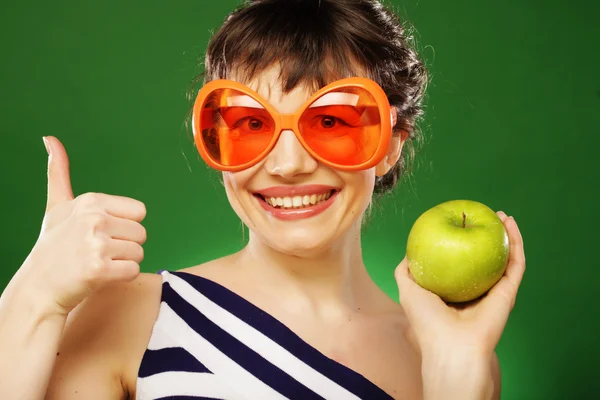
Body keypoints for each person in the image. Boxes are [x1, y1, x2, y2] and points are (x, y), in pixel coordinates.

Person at [0, 0, 526, 399]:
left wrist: (458, 376)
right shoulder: (128, 314)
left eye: (331, 121)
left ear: (390, 147)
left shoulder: (441, 355)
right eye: (251, 123)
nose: (288, 164)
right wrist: (31, 300)